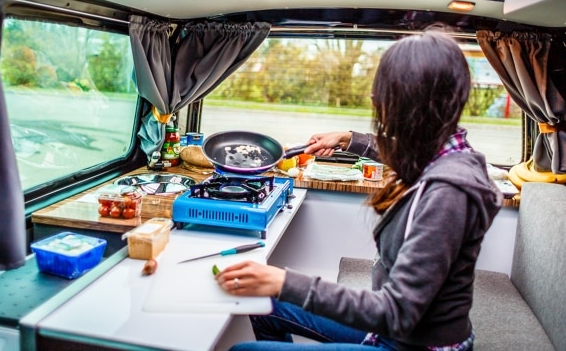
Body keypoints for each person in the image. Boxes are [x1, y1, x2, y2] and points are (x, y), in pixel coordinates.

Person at [215, 31, 503, 351]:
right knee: (264, 304)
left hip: (411, 345)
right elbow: (410, 153)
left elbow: (396, 313)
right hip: (393, 332)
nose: (374, 100)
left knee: (244, 350)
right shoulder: (450, 152)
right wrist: (347, 139)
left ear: (408, 103)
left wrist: (286, 281)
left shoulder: (448, 194)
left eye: (384, 92)